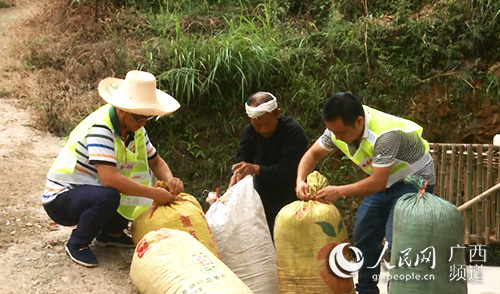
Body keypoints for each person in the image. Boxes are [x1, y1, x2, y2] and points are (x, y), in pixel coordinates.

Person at [295, 92, 435, 294]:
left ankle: (402, 289)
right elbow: (313, 154)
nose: (336, 137)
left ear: (359, 121)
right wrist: (300, 180)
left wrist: (339, 191)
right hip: (386, 181)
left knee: (398, 238)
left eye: (341, 132)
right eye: (333, 132)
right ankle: (366, 289)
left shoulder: (386, 135)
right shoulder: (336, 130)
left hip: (415, 179)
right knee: (364, 232)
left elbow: (377, 182)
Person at [41, 70, 184, 268]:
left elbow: (156, 161)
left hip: (90, 190)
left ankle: (110, 234)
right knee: (109, 195)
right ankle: (78, 243)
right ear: (122, 109)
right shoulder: (101, 127)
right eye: (139, 118)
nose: (143, 123)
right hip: (62, 197)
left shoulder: (137, 130)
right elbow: (109, 178)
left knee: (129, 190)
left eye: (147, 118)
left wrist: (170, 179)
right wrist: (154, 193)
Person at [229, 91, 308, 235]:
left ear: (277, 113)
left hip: (296, 192)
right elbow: (241, 159)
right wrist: (237, 175)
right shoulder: (250, 132)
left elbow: (289, 169)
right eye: (257, 125)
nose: (262, 129)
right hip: (266, 194)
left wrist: (256, 169)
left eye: (266, 123)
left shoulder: (292, 131)